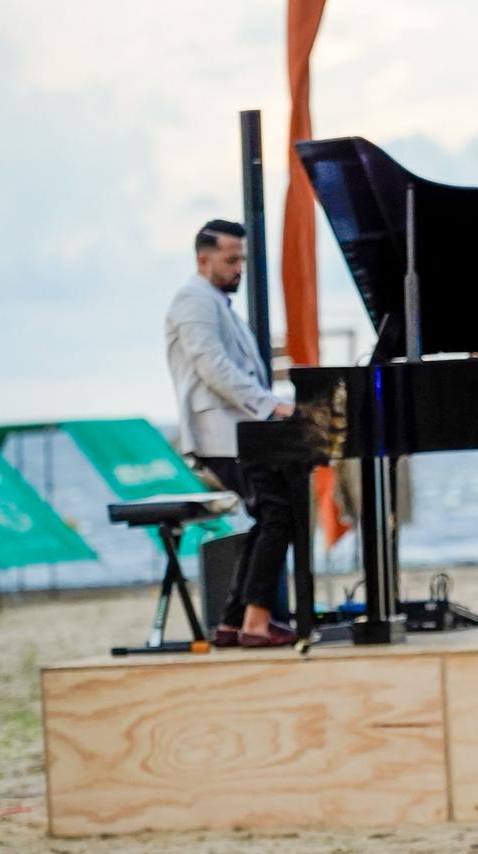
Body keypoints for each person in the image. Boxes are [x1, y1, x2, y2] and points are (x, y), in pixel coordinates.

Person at [165, 219, 298, 648]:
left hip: (242, 431)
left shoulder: (218, 304)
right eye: (231, 259)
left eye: (241, 258)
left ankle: (232, 622)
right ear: (204, 260)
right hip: (222, 433)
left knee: (269, 515)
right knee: (279, 512)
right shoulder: (193, 300)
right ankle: (256, 624)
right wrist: (273, 405)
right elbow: (213, 366)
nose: (239, 267)